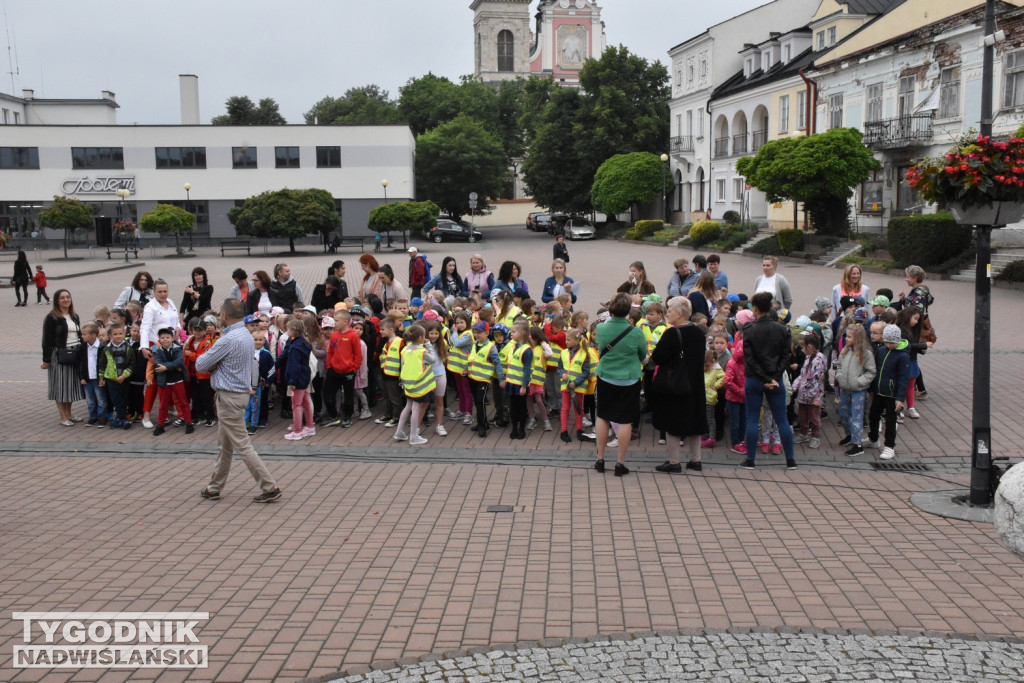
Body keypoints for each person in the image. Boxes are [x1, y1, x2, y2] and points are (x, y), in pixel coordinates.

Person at [196, 298, 281, 503]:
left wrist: (214, 365)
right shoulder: (245, 334)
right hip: (238, 394)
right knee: (225, 445)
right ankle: (214, 486)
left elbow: (200, 364)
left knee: (242, 445)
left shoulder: (228, 338)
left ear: (224, 316)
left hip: (229, 397)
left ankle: (269, 487)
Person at [649, 296, 708, 473]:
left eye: (669, 310)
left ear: (679, 313)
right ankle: (695, 460)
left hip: (676, 385)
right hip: (696, 383)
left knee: (672, 421)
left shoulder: (672, 334)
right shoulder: (699, 333)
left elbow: (658, 358)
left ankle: (674, 462)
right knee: (695, 421)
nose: (667, 313)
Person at [740, 292, 797, 470]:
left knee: (751, 418)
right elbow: (786, 355)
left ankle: (750, 459)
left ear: (755, 308)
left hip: (755, 379)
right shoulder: (783, 329)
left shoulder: (748, 330)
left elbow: (750, 359)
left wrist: (764, 377)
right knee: (782, 419)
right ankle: (790, 460)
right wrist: (774, 377)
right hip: (776, 379)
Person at [593, 293, 648, 476]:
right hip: (629, 378)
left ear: (610, 309)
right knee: (625, 419)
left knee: (603, 415)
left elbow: (601, 347)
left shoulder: (601, 329)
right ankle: (620, 462)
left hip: (606, 376)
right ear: (628, 311)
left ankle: (600, 459)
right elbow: (643, 357)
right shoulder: (636, 332)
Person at [866, 324, 910, 461]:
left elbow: (903, 378)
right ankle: (873, 439)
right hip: (879, 392)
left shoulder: (903, 356)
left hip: (892, 395)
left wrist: (900, 398)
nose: (888, 344)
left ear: (897, 341)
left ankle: (889, 446)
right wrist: (872, 388)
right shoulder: (881, 351)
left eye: (891, 342)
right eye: (886, 342)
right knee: (873, 416)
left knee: (890, 421)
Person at [42, 289, 85, 425]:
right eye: (62, 298)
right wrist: (46, 360)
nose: (66, 300)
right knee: (60, 385)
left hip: (75, 352)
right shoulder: (52, 317)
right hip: (60, 353)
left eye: (68, 297)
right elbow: (46, 340)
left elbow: (80, 335)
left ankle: (69, 413)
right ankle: (63, 417)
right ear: (57, 301)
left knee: (71, 385)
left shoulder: (74, 316)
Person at [836, 324, 876, 457]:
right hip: (845, 389)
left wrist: (859, 382)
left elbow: (871, 372)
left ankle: (857, 444)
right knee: (843, 413)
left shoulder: (866, 354)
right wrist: (840, 377)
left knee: (856, 417)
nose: (846, 339)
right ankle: (850, 435)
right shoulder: (845, 351)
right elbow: (839, 366)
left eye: (849, 337)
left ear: (857, 338)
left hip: (858, 390)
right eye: (846, 336)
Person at [393, 324, 435, 445]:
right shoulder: (422, 351)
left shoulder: (405, 349)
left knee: (407, 407)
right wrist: (428, 345)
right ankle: (413, 437)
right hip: (418, 385)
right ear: (421, 338)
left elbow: (403, 365)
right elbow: (432, 359)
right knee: (415, 409)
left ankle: (399, 431)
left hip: (407, 383)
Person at [151, 327, 194, 436]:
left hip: (177, 380)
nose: (165, 339)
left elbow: (179, 361)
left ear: (172, 338)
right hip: (164, 382)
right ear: (159, 339)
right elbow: (157, 363)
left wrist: (165, 367)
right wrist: (172, 366)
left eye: (167, 337)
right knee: (163, 404)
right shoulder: (157, 350)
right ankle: (160, 425)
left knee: (183, 402)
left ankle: (189, 423)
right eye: (163, 338)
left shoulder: (178, 348)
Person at [278, 317, 315, 441]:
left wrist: (292, 381)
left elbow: (294, 366)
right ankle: (310, 426)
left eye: (288, 329)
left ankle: (297, 430)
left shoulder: (294, 347)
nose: (287, 331)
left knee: (296, 405)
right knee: (305, 402)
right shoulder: (303, 342)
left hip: (297, 380)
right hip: (304, 377)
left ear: (293, 330)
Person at [790, 333, 827, 449]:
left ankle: (815, 436)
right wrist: (795, 386)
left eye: (803, 347)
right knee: (803, 415)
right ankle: (803, 434)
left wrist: (811, 395)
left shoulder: (818, 361)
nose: (802, 350)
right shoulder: (807, 358)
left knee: (814, 417)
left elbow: (816, 381)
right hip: (804, 395)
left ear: (809, 347)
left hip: (813, 396)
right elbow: (803, 375)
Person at [99, 323, 135, 429]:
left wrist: (124, 375)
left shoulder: (128, 348)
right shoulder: (107, 349)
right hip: (112, 379)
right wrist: (101, 377)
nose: (118, 336)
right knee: (116, 399)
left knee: (124, 398)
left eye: (120, 333)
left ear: (124, 334)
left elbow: (132, 363)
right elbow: (102, 364)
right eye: (115, 334)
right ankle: (122, 419)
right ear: (110, 336)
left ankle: (121, 418)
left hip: (124, 378)